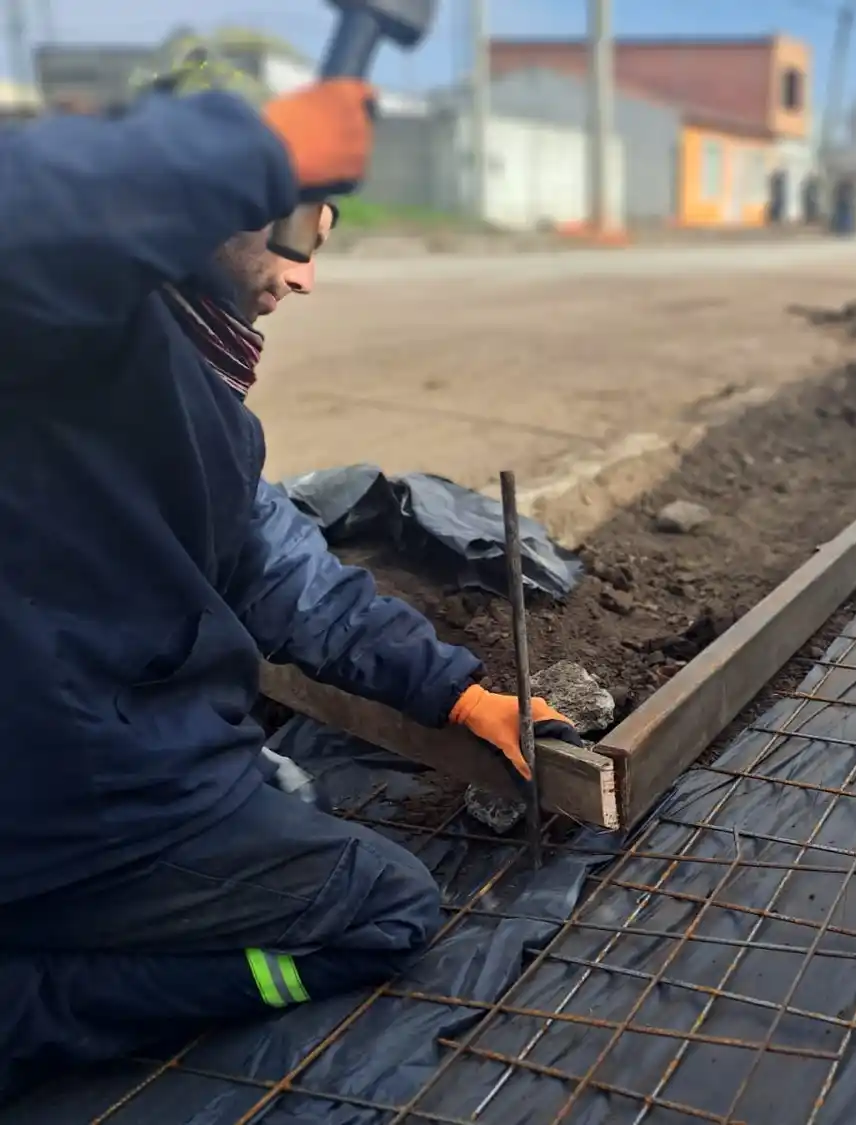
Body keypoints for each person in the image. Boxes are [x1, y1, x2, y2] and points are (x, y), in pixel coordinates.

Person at [0, 72, 582, 1091]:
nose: (304, 278)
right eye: (290, 237)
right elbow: (36, 210)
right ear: (208, 209)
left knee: (275, 781)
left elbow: (287, 578)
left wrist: (455, 690)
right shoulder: (53, 337)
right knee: (385, 911)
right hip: (65, 809)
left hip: (82, 768)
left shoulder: (196, 405)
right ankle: (34, 1011)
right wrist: (258, 149)